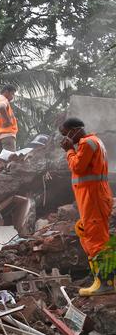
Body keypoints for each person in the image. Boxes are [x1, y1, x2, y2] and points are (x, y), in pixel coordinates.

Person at [59, 118, 115, 296]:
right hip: (91, 198)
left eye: (66, 134)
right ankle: (101, 280)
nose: (66, 138)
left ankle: (106, 282)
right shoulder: (92, 142)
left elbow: (78, 166)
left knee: (97, 240)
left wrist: (69, 150)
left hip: (94, 198)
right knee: (87, 234)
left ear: (75, 130)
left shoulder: (87, 143)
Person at [0, 84, 18, 156]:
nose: (13, 97)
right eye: (12, 94)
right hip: (7, 134)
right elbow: (1, 107)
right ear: (6, 92)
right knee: (9, 158)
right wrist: (7, 120)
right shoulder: (3, 100)